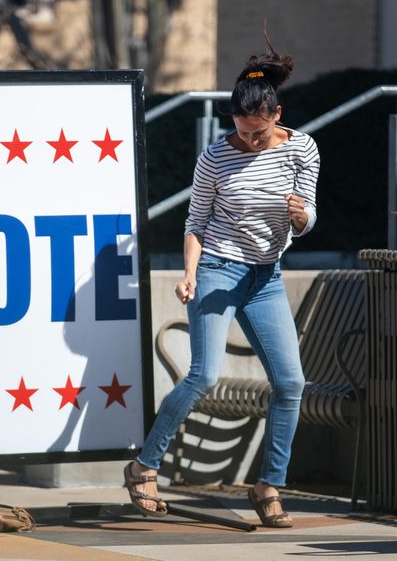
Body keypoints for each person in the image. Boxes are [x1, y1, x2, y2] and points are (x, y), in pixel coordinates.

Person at [124, 39, 320, 527]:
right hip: (216, 268)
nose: (250, 142)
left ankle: (269, 484)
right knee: (205, 375)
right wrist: (190, 274)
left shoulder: (303, 149)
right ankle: (143, 466)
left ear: (278, 115)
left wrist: (301, 217)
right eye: (242, 130)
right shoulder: (215, 157)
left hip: (267, 276)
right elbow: (196, 222)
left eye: (259, 132)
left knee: (291, 382)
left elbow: (308, 213)